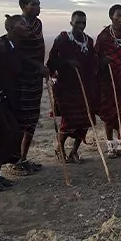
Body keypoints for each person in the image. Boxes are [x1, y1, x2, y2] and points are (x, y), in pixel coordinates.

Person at [0, 15, 48, 191]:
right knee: (0, 135)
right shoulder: (0, 47)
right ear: (10, 28)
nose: (27, 26)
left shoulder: (12, 45)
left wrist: (38, 66)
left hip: (3, 98)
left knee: (9, 134)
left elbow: (22, 59)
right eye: (22, 23)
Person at [47, 11, 99, 163]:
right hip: (67, 87)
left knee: (86, 121)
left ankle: (74, 151)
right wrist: (67, 63)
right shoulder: (62, 39)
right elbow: (52, 62)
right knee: (69, 121)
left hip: (85, 86)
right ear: (71, 23)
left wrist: (100, 62)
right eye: (78, 23)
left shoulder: (88, 41)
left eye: (84, 22)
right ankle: (60, 148)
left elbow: (92, 61)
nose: (81, 26)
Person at [15, 0, 48, 174]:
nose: (38, 7)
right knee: (21, 119)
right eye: (34, 4)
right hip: (22, 79)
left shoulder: (37, 24)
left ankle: (23, 157)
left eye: (38, 3)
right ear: (24, 6)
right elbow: (17, 53)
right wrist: (37, 65)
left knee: (32, 119)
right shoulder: (19, 25)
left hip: (35, 78)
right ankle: (15, 159)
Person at [96, 4, 121, 159]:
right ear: (111, 17)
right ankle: (110, 146)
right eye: (119, 15)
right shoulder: (104, 36)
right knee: (109, 114)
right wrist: (103, 61)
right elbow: (95, 57)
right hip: (108, 81)